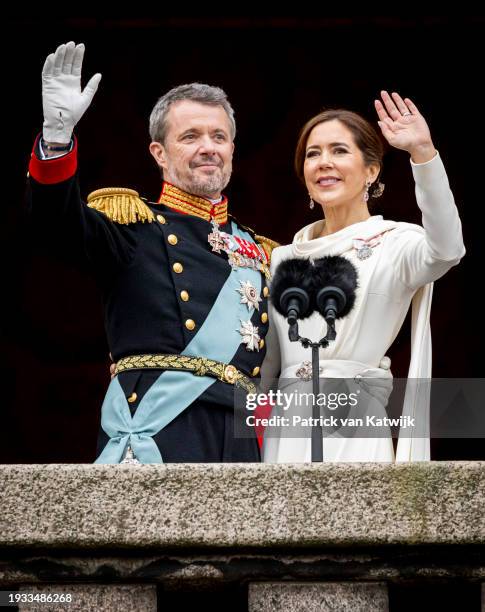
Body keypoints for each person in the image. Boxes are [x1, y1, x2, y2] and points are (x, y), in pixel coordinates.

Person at [26, 41, 277, 464]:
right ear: (159, 153)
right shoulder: (133, 226)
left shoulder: (261, 251)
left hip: (240, 437)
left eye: (219, 136)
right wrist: (56, 139)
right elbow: (57, 224)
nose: (208, 147)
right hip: (163, 429)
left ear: (233, 149)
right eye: (191, 136)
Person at [260, 91, 465, 462]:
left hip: (355, 429)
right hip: (285, 432)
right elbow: (266, 365)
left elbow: (447, 250)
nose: (324, 163)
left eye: (339, 151)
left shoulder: (397, 244)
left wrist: (423, 153)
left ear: (371, 171)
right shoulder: (281, 258)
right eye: (313, 153)